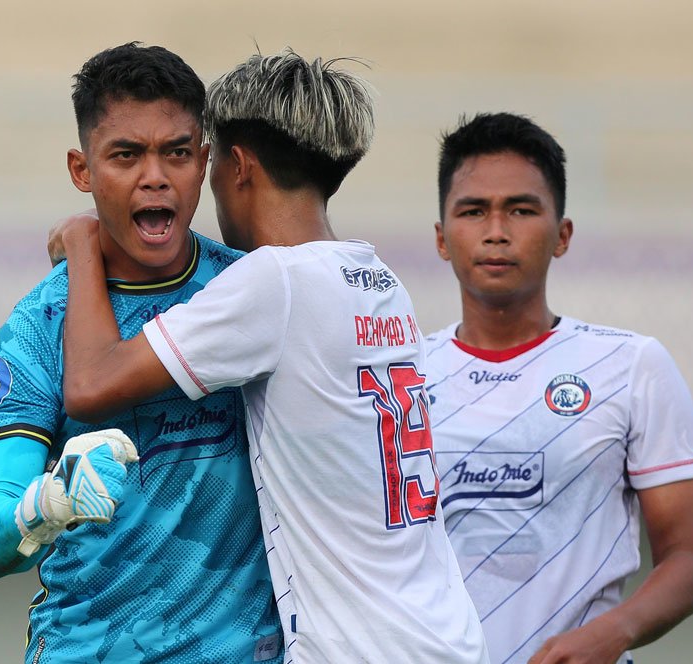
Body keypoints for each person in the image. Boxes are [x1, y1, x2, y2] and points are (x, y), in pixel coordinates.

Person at [51, 51, 489, 663]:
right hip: (446, 633)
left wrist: (79, 242)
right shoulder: (378, 279)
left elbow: (92, 383)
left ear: (237, 167)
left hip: (365, 651)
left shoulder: (272, 283)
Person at [0, 43, 282, 663]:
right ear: (82, 172)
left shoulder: (255, 293)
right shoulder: (37, 328)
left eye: (177, 152)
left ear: (205, 161)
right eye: (126, 155)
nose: (155, 176)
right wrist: (51, 500)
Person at [425, 112, 693, 664]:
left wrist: (615, 630)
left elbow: (690, 563)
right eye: (473, 211)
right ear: (442, 238)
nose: (496, 231)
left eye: (521, 209)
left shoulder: (631, 366)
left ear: (562, 235)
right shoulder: (401, 378)